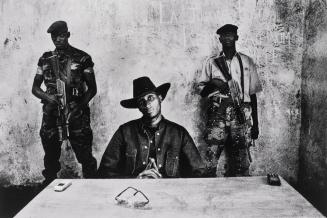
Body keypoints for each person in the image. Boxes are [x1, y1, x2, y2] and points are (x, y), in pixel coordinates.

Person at [97, 76, 206, 178]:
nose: (147, 104)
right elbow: (104, 172)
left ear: (160, 98)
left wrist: (168, 184)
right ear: (138, 107)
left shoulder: (179, 133)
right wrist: (136, 179)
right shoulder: (124, 131)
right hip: (134, 194)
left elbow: (200, 172)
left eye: (150, 98)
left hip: (170, 195)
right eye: (141, 101)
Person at [32, 21, 97, 184]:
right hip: (52, 114)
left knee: (86, 158)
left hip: (76, 114)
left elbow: (92, 89)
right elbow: (35, 88)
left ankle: (94, 190)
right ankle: (46, 196)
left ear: (67, 35)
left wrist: (79, 107)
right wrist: (48, 98)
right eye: (54, 36)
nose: (57, 39)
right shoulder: (45, 59)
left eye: (60, 35)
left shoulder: (83, 58)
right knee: (50, 160)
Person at [199, 24, 262, 177]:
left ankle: (242, 197)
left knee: (242, 161)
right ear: (219, 39)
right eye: (224, 35)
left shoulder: (247, 61)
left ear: (236, 37)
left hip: (241, 114)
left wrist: (255, 124)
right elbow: (202, 93)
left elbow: (252, 94)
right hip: (217, 113)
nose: (227, 38)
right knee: (210, 159)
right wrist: (215, 83)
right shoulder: (211, 62)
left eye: (231, 34)